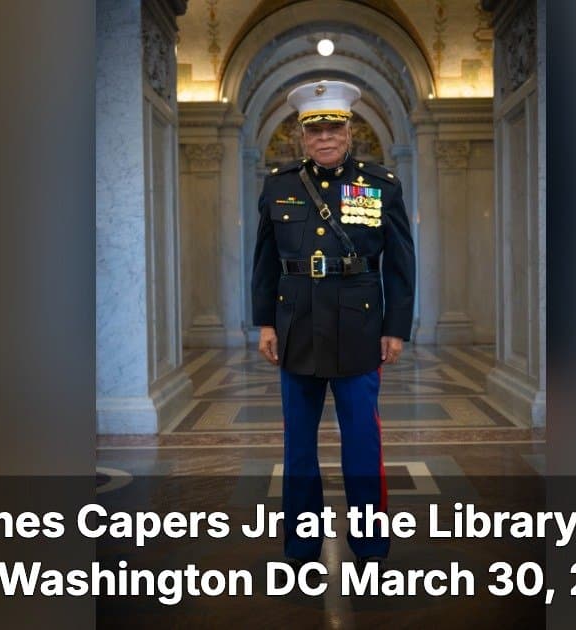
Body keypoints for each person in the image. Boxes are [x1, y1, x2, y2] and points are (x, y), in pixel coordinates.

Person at [250, 80, 416, 565]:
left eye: (333, 128)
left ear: (349, 131)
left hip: (358, 328)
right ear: (303, 136)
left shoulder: (381, 184)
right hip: (296, 326)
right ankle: (301, 547)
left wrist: (395, 327)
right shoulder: (279, 185)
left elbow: (400, 262)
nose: (324, 137)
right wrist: (265, 323)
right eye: (315, 130)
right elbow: (264, 260)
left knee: (362, 441)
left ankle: (370, 546)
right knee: (298, 446)